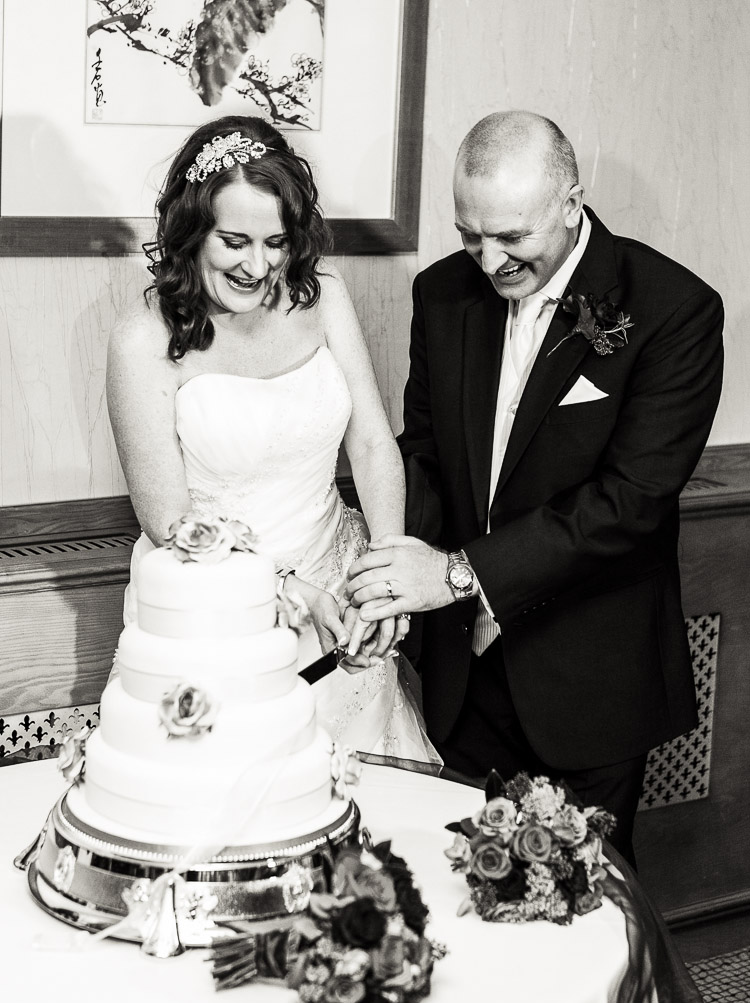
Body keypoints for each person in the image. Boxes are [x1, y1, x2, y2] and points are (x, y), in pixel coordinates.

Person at [347, 110, 723, 864]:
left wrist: (454, 574)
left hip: (586, 678)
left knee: (575, 914)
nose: (488, 261)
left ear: (571, 203)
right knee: (452, 896)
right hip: (463, 671)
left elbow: (629, 503)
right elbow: (424, 452)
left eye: (513, 238)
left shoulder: (673, 310)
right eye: (468, 234)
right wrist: (394, 570)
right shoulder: (443, 294)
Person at [107, 114, 440, 774]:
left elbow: (372, 444)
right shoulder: (142, 338)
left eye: (276, 243)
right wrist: (291, 593)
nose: (258, 266)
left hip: (338, 583)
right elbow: (169, 520)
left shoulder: (326, 297)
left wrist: (385, 569)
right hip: (211, 611)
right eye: (234, 241)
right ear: (191, 231)